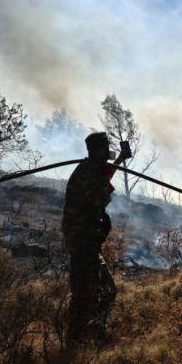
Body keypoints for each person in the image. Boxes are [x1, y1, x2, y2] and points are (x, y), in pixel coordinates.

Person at [62, 132, 130, 342]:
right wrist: (109, 182)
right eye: (106, 147)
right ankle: (76, 342)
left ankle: (95, 332)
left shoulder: (93, 169)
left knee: (107, 290)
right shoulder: (88, 171)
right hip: (82, 240)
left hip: (89, 242)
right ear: (100, 149)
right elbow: (98, 197)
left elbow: (104, 175)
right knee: (84, 295)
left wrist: (119, 160)